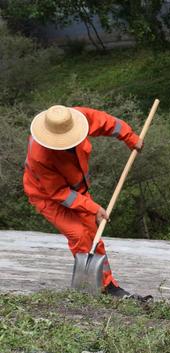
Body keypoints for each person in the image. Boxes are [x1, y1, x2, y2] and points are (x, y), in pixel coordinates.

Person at [23, 104, 151, 301]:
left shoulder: (76, 119)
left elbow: (109, 123)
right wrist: (93, 207)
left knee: (92, 233)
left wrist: (130, 138)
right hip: (47, 196)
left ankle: (107, 285)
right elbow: (59, 193)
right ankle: (102, 286)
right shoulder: (40, 155)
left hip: (77, 191)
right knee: (79, 234)